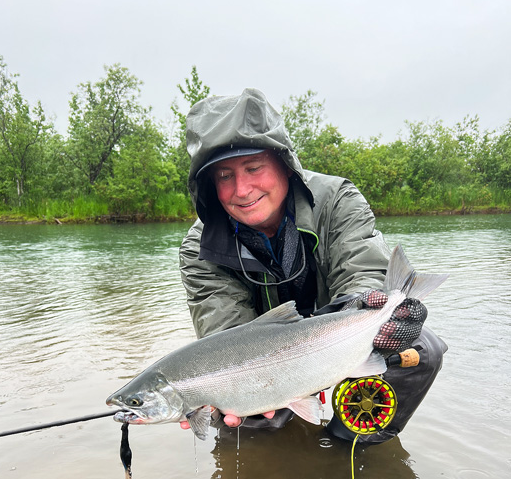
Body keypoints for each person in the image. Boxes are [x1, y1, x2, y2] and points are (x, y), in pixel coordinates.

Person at [178, 88, 447, 443]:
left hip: (339, 331)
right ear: (210, 185)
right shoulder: (199, 248)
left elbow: (361, 274)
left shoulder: (338, 200)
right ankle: (272, 469)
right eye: (224, 176)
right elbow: (223, 338)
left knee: (424, 350)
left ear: (285, 165)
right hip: (264, 353)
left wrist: (365, 311)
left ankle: (346, 446)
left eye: (253, 167)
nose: (242, 189)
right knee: (234, 405)